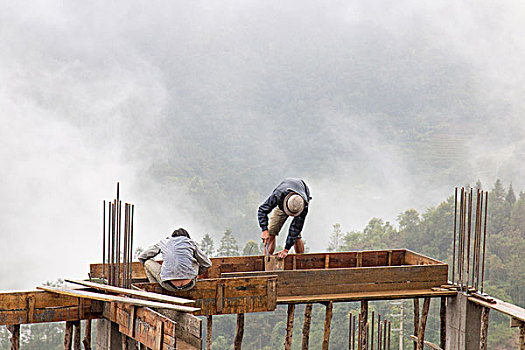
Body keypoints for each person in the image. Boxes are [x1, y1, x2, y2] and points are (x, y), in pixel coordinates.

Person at [138, 228, 212, 291]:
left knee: (147, 262)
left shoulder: (164, 242)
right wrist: (197, 273)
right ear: (187, 237)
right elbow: (207, 263)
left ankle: (155, 289)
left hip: (168, 285)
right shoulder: (190, 242)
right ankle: (188, 277)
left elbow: (142, 257)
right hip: (189, 284)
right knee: (196, 262)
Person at [258, 178, 311, 259]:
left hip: (299, 201)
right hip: (283, 202)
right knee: (271, 232)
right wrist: (264, 230)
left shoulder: (303, 205)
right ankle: (267, 262)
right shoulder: (278, 195)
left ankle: (300, 262)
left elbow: (295, 228)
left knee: (296, 235)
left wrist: (286, 250)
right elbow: (262, 210)